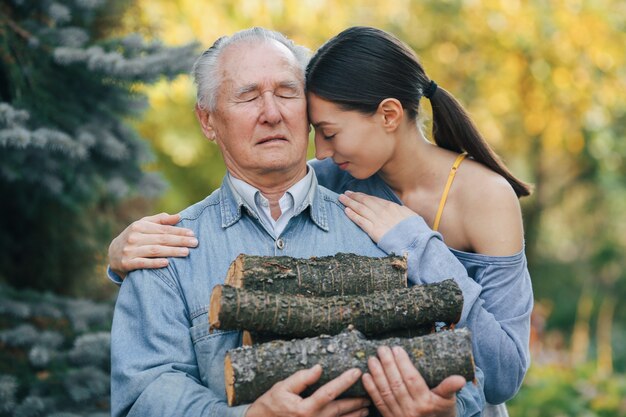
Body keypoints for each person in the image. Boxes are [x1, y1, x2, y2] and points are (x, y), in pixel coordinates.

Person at [110, 27, 485, 417]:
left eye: (287, 93)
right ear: (207, 120)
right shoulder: (163, 251)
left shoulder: (385, 231)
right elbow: (143, 392)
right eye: (248, 95)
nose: (271, 113)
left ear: (309, 111)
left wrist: (445, 411)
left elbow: (471, 382)